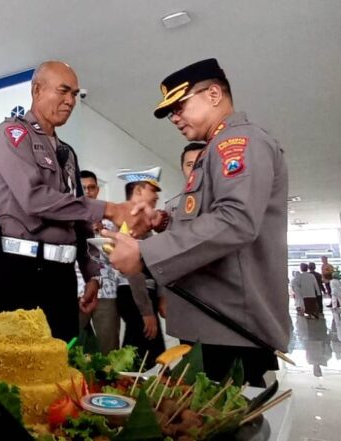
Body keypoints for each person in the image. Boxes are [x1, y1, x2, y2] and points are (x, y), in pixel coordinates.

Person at [105, 58, 290, 386]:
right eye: (170, 112)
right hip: (213, 324)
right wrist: (163, 221)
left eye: (179, 106)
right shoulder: (213, 149)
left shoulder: (239, 143)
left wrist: (147, 253)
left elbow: (235, 220)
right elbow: (209, 214)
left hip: (232, 328)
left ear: (215, 94)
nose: (174, 117)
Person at [0, 60, 149, 340]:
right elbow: (34, 199)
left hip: (60, 276)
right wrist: (109, 208)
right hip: (20, 272)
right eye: (63, 91)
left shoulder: (66, 152)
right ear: (37, 90)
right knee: (14, 369)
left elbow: (78, 215)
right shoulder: (12, 134)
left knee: (61, 363)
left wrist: (91, 272)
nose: (70, 101)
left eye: (74, 94)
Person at [115, 167, 166, 361]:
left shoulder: (145, 223)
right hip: (134, 294)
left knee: (146, 353)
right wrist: (146, 311)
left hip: (146, 294)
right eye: (152, 190)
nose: (156, 197)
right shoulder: (127, 222)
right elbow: (132, 270)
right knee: (143, 356)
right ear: (137, 191)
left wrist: (160, 297)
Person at [76, 170, 120, 353]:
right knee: (71, 347)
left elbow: (120, 257)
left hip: (107, 291)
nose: (88, 192)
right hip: (78, 290)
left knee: (109, 351)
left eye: (92, 187)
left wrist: (102, 233)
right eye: (83, 188)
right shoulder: (71, 221)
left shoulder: (111, 224)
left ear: (98, 190)